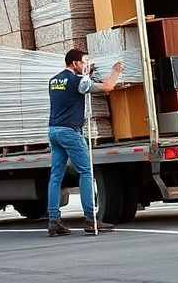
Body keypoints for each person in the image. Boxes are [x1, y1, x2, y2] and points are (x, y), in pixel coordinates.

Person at [46, 48, 124, 236]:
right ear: (74, 63)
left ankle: (53, 220)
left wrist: (87, 73)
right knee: (86, 172)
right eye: (83, 62)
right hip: (70, 132)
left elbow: (73, 90)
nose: (84, 65)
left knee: (56, 176)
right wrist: (116, 71)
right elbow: (107, 87)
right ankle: (91, 219)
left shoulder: (54, 80)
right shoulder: (78, 81)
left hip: (53, 131)